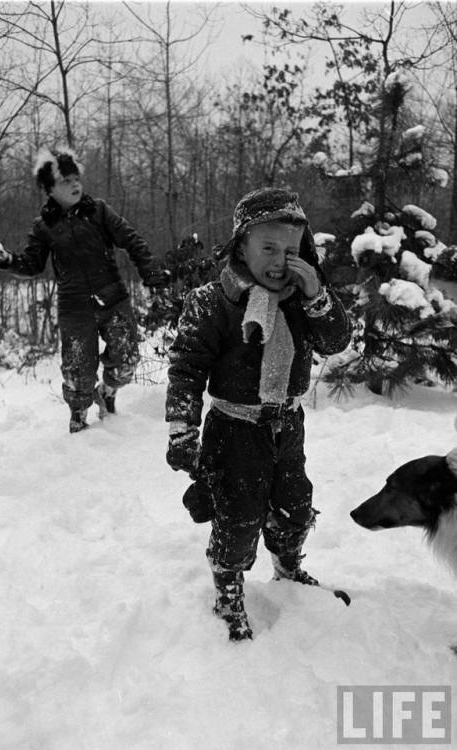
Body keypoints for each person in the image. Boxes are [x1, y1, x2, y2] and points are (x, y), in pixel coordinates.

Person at [165, 187, 352, 641]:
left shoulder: (303, 299)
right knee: (238, 516)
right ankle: (228, 587)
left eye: (291, 249)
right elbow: (186, 368)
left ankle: (288, 569)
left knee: (295, 504)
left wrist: (317, 295)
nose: (280, 259)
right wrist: (182, 431)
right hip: (234, 429)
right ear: (240, 246)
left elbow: (336, 341)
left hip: (287, 424)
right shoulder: (212, 302)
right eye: (268, 246)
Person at [0, 146, 169, 433]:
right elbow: (31, 264)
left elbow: (131, 240)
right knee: (78, 372)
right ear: (50, 188)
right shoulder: (44, 226)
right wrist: (5, 259)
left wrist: (150, 272)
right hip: (75, 309)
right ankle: (79, 419)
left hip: (112, 298)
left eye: (76, 178)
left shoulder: (99, 211)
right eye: (65, 181)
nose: (75, 184)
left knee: (127, 357)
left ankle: (107, 391)